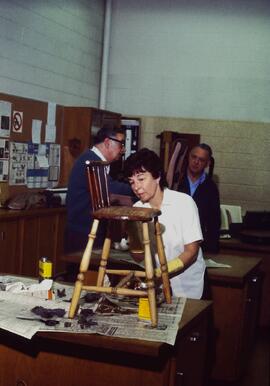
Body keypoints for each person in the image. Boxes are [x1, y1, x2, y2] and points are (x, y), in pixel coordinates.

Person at [124, 148, 205, 299]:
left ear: (157, 176)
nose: (136, 187)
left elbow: (191, 251)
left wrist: (162, 271)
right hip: (157, 285)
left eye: (141, 179)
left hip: (187, 287)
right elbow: (138, 257)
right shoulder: (137, 209)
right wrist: (133, 239)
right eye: (132, 182)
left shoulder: (184, 203)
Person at [65, 126, 132, 253]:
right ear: (107, 142)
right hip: (83, 233)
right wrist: (139, 188)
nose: (123, 149)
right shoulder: (91, 162)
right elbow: (109, 188)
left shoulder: (95, 160)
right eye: (121, 144)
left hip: (89, 230)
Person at [178, 143, 221, 254]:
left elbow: (214, 221)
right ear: (188, 157)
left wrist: (211, 249)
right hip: (175, 240)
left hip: (199, 244)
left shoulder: (211, 187)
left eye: (201, 160)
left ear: (207, 163)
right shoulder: (176, 181)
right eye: (194, 157)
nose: (196, 162)